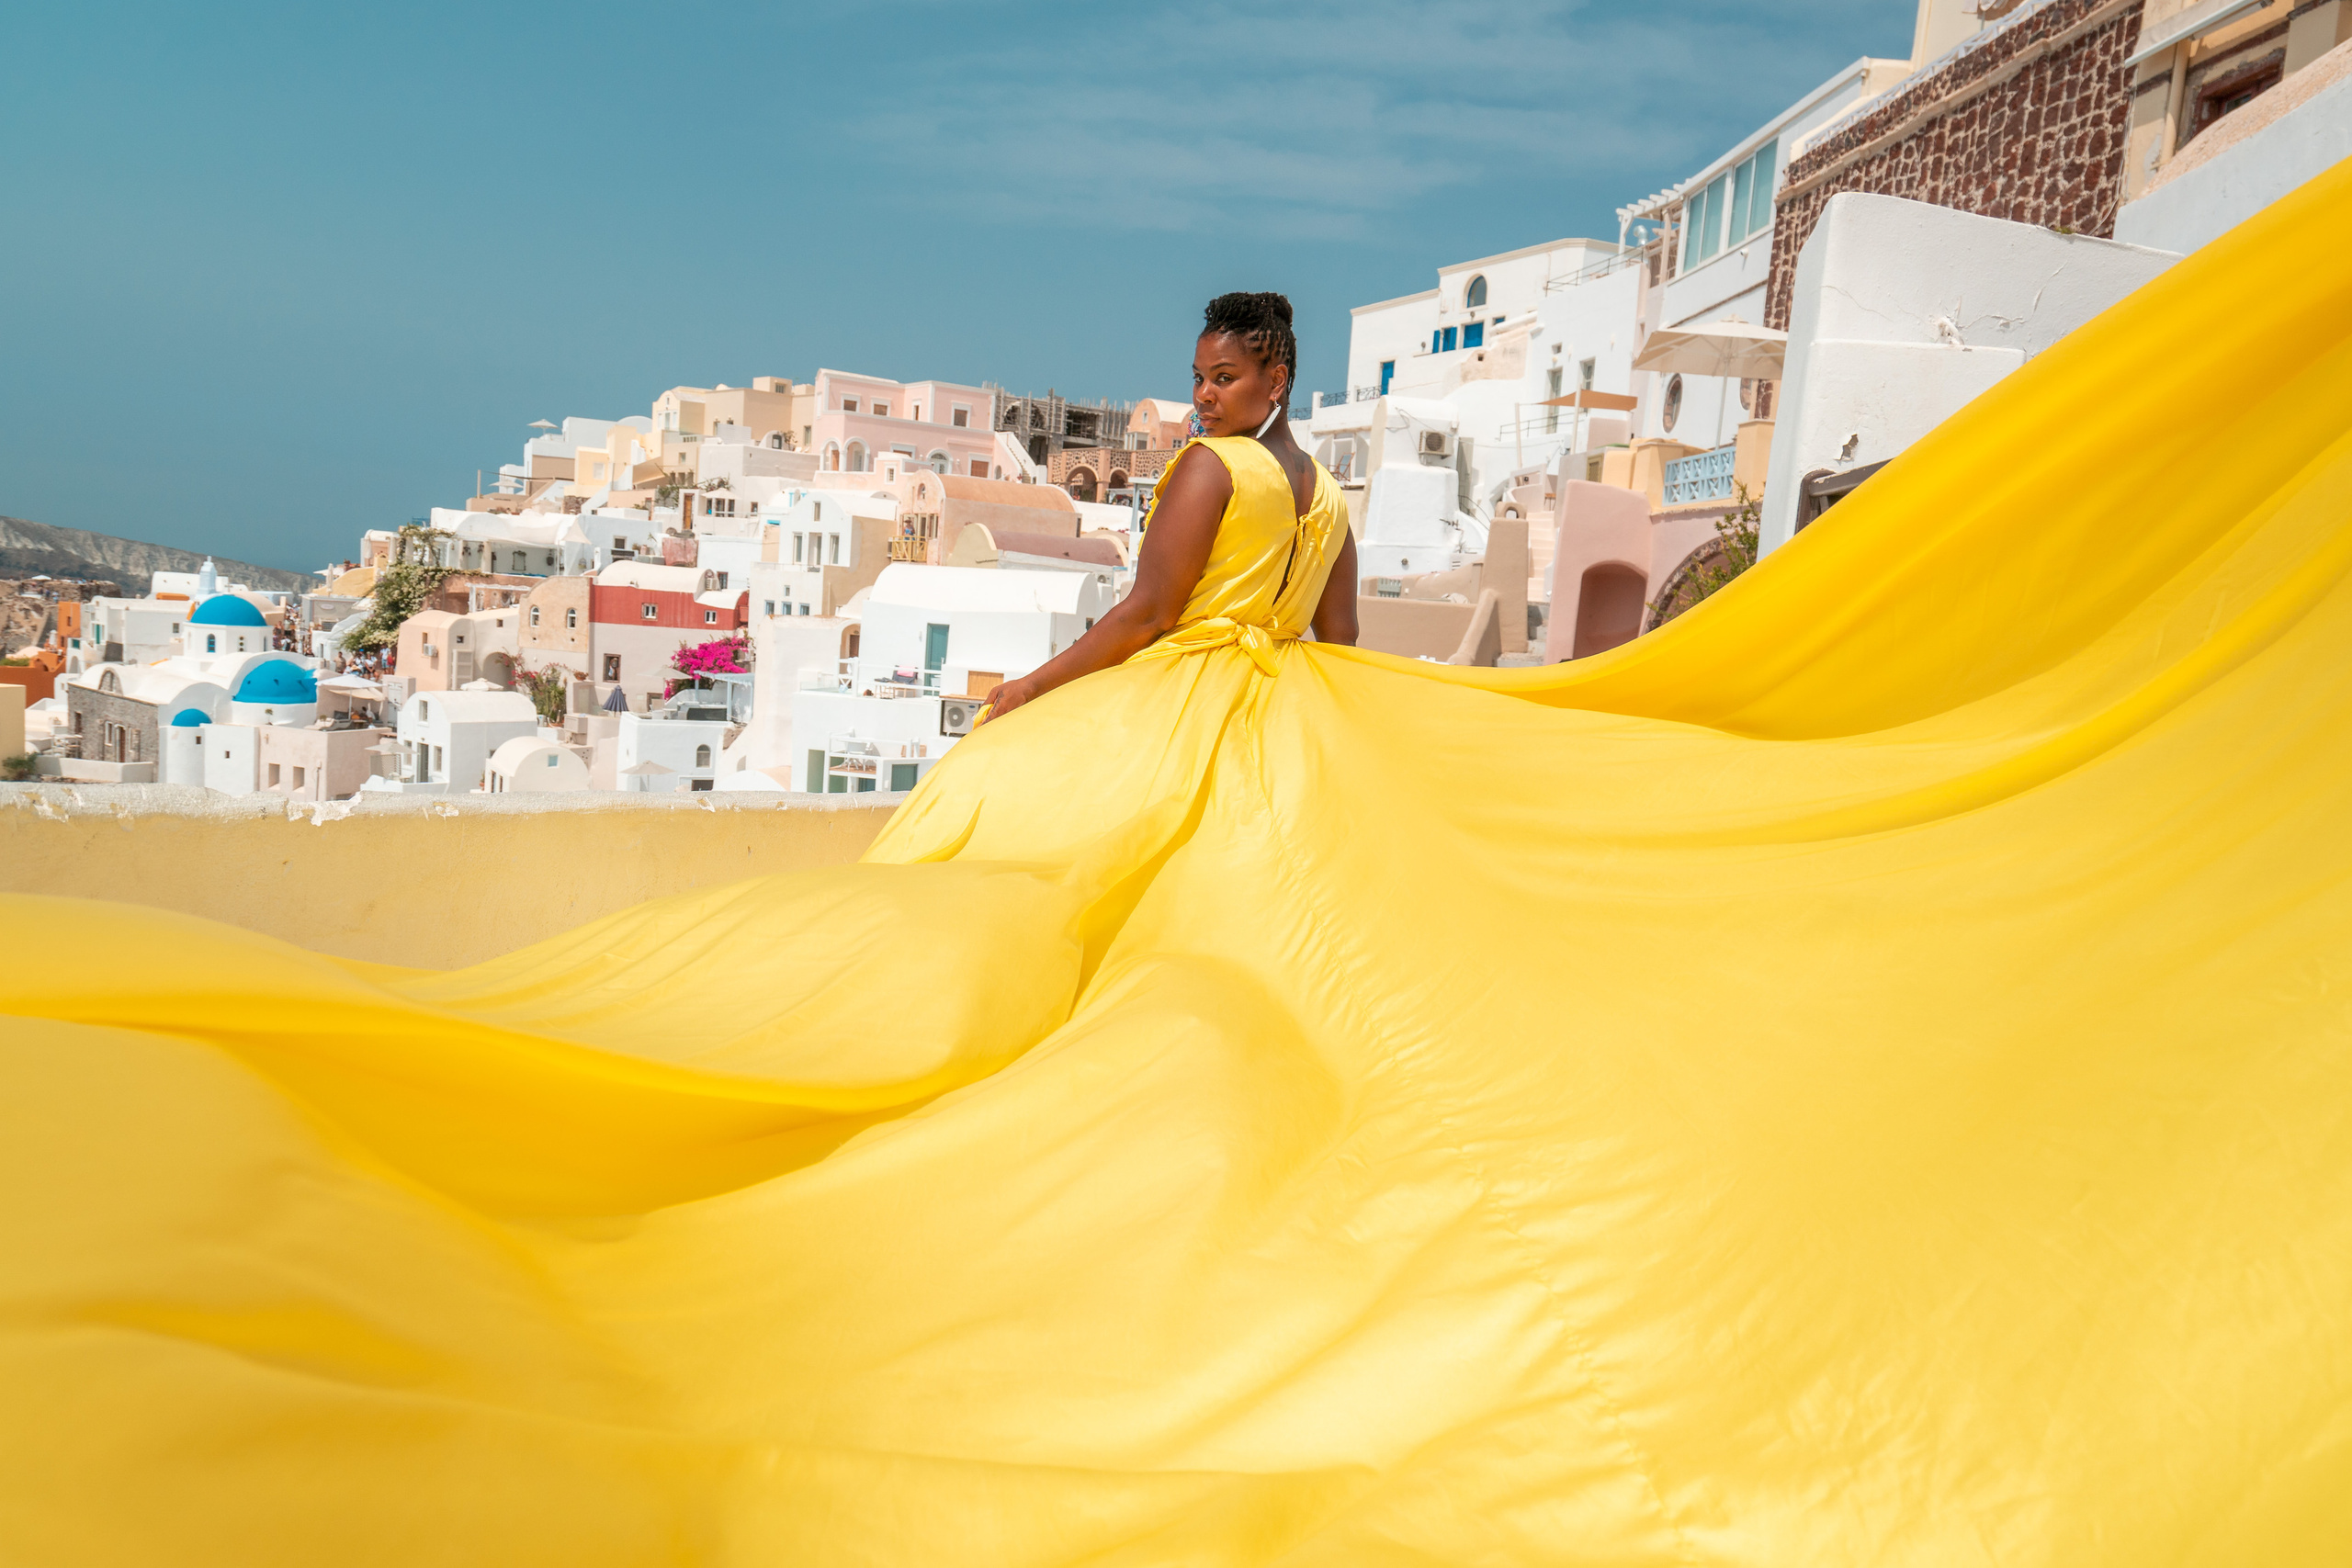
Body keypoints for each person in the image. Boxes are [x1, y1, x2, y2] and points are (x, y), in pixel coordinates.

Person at [8, 162, 2352, 1568]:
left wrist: (1026, 704)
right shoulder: (1329, 494)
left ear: (1233, 372)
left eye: (1217, 365)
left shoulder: (1202, 474)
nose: (1210, 387)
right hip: (1298, 738)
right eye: (1213, 369)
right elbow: (1328, 645)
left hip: (1167, 735)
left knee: (1029, 945)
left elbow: (1141, 618)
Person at [977, 292, 1356, 727]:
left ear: (1276, 382)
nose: (1203, 396)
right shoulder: (1330, 492)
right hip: (1281, 711)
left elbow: (1150, 614)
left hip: (1190, 704)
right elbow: (1341, 639)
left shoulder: (1212, 466)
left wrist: (1031, 686)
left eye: (1224, 378)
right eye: (1198, 378)